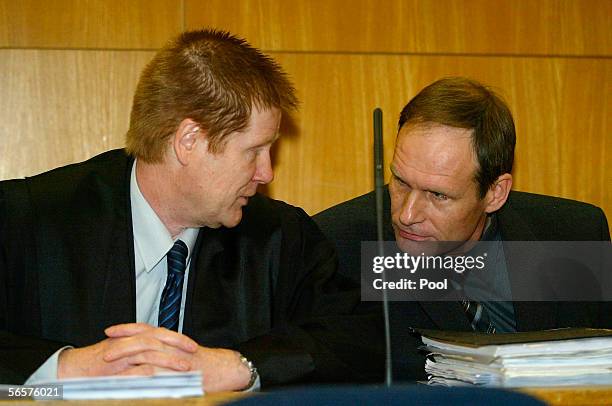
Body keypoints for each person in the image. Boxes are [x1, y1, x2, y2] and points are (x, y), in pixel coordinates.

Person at [0, 29, 359, 390]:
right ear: (189, 141)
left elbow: (357, 337)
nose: (267, 173)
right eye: (253, 151)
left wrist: (242, 367)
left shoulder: (280, 238)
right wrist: (65, 369)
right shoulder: (25, 219)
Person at [314, 77, 611, 381]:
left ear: (495, 193)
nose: (407, 214)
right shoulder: (338, 248)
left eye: (438, 195)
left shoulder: (575, 235)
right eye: (401, 182)